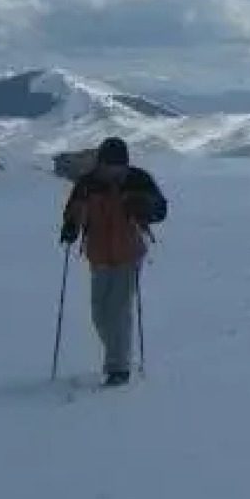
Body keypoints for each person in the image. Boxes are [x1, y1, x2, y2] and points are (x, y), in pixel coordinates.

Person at [59, 136, 168, 385]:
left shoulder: (138, 180)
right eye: (109, 165)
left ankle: (119, 368)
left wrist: (145, 207)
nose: (113, 170)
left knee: (118, 310)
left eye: (118, 165)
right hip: (97, 254)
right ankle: (119, 354)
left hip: (129, 254)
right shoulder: (88, 184)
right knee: (99, 313)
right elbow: (73, 209)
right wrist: (70, 227)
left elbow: (160, 210)